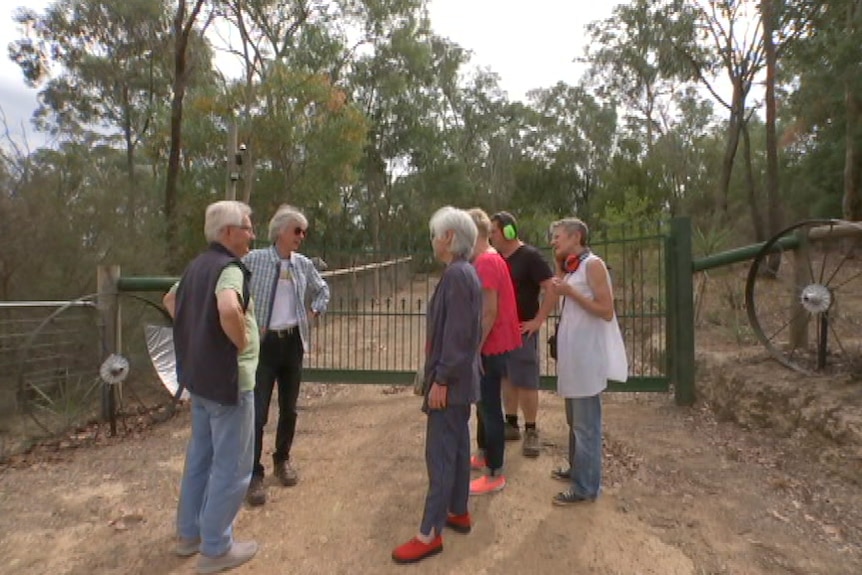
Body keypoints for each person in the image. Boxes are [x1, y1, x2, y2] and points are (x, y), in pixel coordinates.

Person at [162, 200, 260, 574]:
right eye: (247, 227)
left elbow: (170, 299)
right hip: (228, 382)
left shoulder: (195, 266)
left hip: (199, 381)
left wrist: (198, 334)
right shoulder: (229, 269)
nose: (252, 234)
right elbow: (228, 309)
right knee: (233, 466)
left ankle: (189, 535)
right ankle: (217, 548)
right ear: (228, 233)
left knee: (200, 457)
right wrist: (240, 341)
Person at [391, 207, 482, 564]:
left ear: (448, 238)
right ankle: (458, 510)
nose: (432, 240)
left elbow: (458, 336)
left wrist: (441, 379)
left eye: (434, 234)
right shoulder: (461, 272)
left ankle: (428, 533)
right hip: (460, 379)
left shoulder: (458, 276)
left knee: (440, 455)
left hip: (452, 381)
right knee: (458, 448)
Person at [242, 204, 330, 506]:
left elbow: (323, 290)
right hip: (264, 345)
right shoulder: (253, 261)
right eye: (297, 230)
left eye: (304, 232)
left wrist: (315, 309)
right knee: (257, 412)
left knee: (289, 409)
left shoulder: (303, 264)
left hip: (293, 342)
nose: (301, 236)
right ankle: (253, 474)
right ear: (280, 231)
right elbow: (233, 290)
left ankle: (282, 460)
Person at [548, 217, 627, 505]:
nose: (553, 241)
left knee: (586, 425)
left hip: (587, 357)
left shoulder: (593, 265)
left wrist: (571, 292)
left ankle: (586, 488)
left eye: (558, 236)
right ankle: (577, 470)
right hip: (573, 357)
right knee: (574, 421)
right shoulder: (572, 267)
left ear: (576, 236)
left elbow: (606, 310)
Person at [489, 211, 556, 457]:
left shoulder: (530, 256)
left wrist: (538, 321)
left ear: (508, 231)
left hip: (522, 330)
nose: (490, 237)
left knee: (526, 380)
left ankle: (531, 429)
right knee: (507, 377)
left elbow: (551, 288)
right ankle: (511, 422)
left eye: (493, 231)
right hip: (501, 331)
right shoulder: (495, 257)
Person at [466, 208, 521, 496]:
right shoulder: (489, 259)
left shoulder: (486, 262)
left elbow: (489, 311)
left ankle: (495, 472)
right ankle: (485, 454)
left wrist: (474, 349)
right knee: (484, 405)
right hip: (493, 344)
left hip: (491, 345)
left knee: (490, 408)